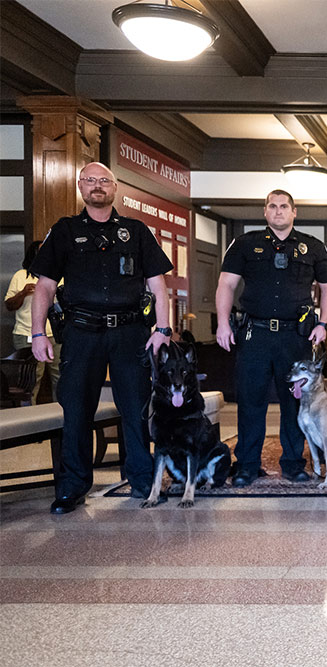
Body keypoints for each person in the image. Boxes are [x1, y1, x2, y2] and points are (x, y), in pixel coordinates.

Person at [30, 162, 173, 514]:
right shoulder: (63, 231)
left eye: (104, 181)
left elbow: (158, 285)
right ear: (80, 186)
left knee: (135, 409)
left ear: (115, 187)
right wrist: (37, 333)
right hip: (81, 332)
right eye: (91, 181)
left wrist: (163, 329)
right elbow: (45, 287)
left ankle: (142, 481)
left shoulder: (136, 231)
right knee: (77, 410)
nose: (97, 186)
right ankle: (73, 487)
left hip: (129, 332)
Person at [215, 189, 327, 487]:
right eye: (273, 206)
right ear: (265, 212)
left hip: (296, 336)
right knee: (250, 400)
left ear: (294, 212)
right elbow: (226, 285)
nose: (278, 211)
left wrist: (323, 323)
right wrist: (222, 323)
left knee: (294, 403)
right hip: (254, 333)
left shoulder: (314, 247)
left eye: (284, 206)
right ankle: (247, 465)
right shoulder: (245, 244)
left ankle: (293, 464)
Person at [5, 241, 60, 403]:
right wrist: (23, 292)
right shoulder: (20, 276)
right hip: (26, 334)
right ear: (33, 254)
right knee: (31, 379)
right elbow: (9, 305)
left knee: (60, 377)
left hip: (55, 335)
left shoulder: (58, 275)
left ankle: (61, 416)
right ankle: (29, 417)